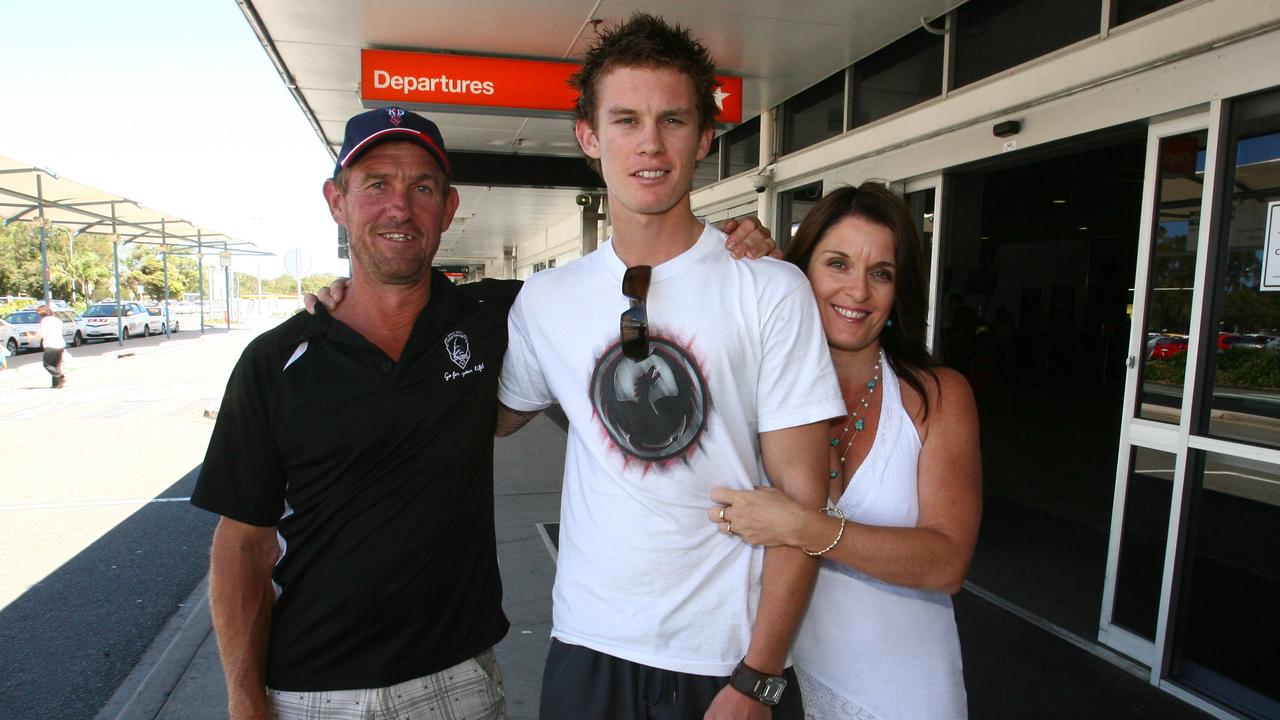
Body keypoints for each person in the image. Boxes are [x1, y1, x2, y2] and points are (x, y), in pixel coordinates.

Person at [494, 13, 844, 719]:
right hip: (590, 650)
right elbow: (486, 413)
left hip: (725, 661)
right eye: (625, 119)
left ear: (704, 138)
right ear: (590, 138)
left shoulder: (769, 288)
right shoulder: (546, 300)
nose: (649, 143)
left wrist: (759, 679)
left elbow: (804, 505)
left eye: (673, 120)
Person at [191, 107, 516, 720]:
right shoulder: (275, 361)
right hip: (313, 690)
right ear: (336, 202)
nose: (400, 207)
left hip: (457, 679)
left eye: (422, 187)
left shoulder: (493, 316)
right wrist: (243, 698)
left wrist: (744, 248)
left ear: (448, 209)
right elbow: (243, 548)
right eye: (375, 185)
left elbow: (635, 281)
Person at [707, 183, 982, 720]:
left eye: (881, 272)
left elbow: (948, 562)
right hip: (770, 682)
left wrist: (801, 526)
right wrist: (729, 249)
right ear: (799, 271)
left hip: (902, 692)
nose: (858, 291)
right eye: (837, 264)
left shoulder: (936, 395)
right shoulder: (752, 389)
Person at [37, 304, 66, 388]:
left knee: (47, 364)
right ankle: (57, 384)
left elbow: (43, 334)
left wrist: (33, 336)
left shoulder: (45, 321)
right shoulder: (57, 320)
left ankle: (60, 377)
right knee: (56, 365)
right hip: (60, 344)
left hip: (51, 345)